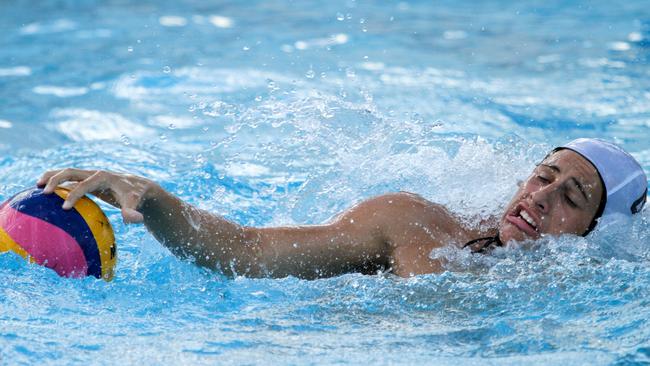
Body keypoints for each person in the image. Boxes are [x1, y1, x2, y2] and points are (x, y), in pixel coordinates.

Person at [36, 138, 647, 279]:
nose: (540, 198)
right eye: (544, 176)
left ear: (601, 232)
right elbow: (248, 252)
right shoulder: (414, 223)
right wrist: (159, 203)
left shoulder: (583, 296)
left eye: (572, 197)